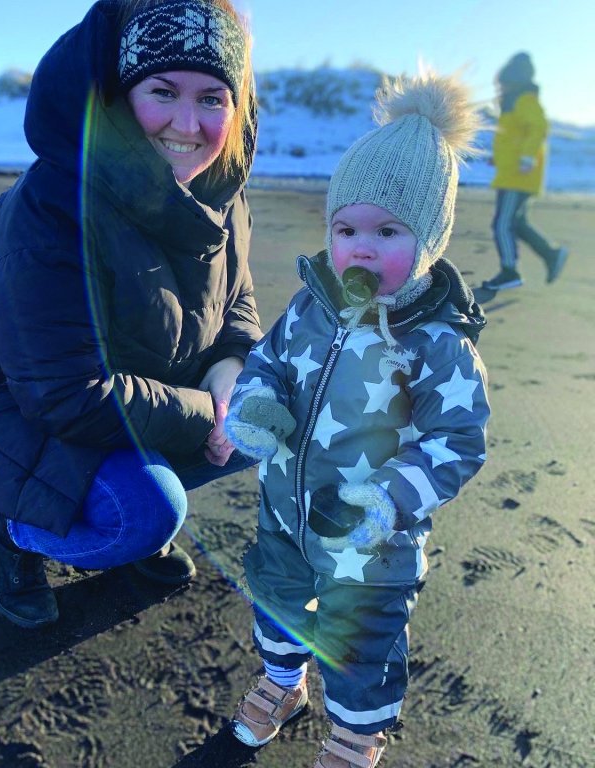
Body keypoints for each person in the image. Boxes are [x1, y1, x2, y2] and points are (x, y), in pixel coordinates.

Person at [0, 0, 261, 629]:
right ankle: (15, 531)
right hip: (1, 399)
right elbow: (64, 394)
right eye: (163, 92)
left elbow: (235, 299)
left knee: (266, 417)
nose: (188, 124)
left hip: (128, 381)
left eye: (213, 99)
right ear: (120, 93)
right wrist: (206, 414)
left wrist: (233, 370)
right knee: (145, 510)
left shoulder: (222, 190)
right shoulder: (51, 206)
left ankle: (131, 488)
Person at [223, 72, 491, 767]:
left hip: (371, 546)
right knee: (277, 605)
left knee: (362, 646)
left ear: (429, 240)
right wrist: (256, 406)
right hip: (286, 515)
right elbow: (267, 363)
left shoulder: (438, 344)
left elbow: (458, 442)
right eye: (346, 229)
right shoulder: (310, 307)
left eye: (388, 231)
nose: (361, 248)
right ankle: (282, 682)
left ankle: (355, 732)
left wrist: (388, 499)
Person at [482, 51, 567, 291]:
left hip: (518, 176)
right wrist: (498, 158)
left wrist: (527, 158)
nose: (501, 88)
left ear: (515, 81)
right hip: (512, 172)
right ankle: (551, 254)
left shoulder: (525, 100)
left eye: (505, 83)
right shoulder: (511, 104)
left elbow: (538, 128)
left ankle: (509, 271)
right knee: (517, 223)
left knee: (502, 224)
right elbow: (511, 138)